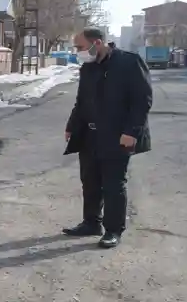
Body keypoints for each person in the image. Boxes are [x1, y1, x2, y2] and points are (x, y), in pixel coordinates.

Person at [63, 28, 152, 248]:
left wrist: (132, 131)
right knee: (90, 181)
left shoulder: (129, 63)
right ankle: (91, 223)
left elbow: (142, 100)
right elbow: (81, 101)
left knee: (113, 184)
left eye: (80, 47)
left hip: (117, 135)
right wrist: (72, 126)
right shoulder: (88, 67)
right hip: (89, 134)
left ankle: (113, 230)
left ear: (97, 43)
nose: (78, 51)